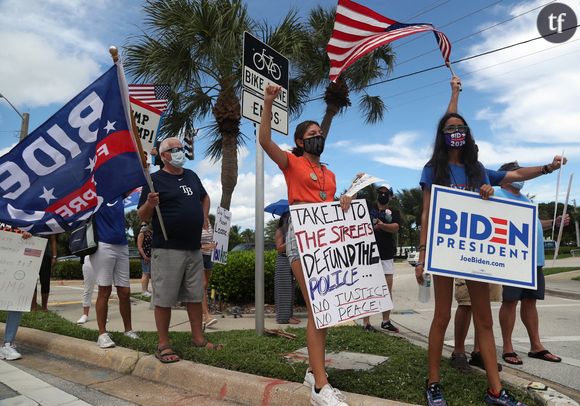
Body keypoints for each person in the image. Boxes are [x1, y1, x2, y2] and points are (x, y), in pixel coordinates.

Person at [446, 76, 568, 372]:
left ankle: (479, 351)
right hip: (465, 254)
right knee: (465, 304)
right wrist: (455, 93)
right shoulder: (449, 171)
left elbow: (521, 180)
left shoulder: (483, 174)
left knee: (485, 304)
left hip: (501, 259)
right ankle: (460, 352)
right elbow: (448, 126)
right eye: (458, 136)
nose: (464, 141)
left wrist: (549, 168)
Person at [416, 103, 525, 405]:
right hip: (442, 250)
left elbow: (513, 174)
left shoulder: (478, 170)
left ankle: (495, 389)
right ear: (442, 135)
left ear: (467, 134)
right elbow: (426, 213)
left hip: (474, 253)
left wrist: (548, 168)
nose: (456, 132)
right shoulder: (433, 169)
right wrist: (422, 253)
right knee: (441, 316)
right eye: (450, 128)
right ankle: (433, 383)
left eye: (460, 128)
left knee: (485, 321)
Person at [259, 84, 352, 406]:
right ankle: (318, 388)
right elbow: (264, 141)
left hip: (327, 240)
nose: (317, 137)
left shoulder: (330, 172)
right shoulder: (291, 162)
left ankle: (315, 373)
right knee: (317, 307)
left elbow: (330, 206)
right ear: (300, 141)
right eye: (311, 133)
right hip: (303, 236)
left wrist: (343, 204)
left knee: (323, 309)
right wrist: (268, 103)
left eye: (319, 133)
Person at [138, 136, 221, 364]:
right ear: (163, 155)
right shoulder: (153, 180)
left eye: (181, 148)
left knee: (195, 296)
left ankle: (198, 338)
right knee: (164, 298)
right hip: (167, 249)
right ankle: (163, 343)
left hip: (193, 248)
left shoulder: (192, 176)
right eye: (174, 149)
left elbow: (204, 197)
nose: (180, 152)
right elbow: (142, 216)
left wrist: (204, 216)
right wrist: (149, 204)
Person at [495, 161, 568, 366]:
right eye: (516, 172)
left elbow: (534, 224)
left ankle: (536, 346)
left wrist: (554, 223)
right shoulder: (496, 193)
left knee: (530, 302)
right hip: (513, 259)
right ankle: (508, 347)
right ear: (506, 176)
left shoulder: (525, 199)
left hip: (534, 260)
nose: (521, 177)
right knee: (510, 301)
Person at [90, 196, 139, 348]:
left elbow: (132, 180)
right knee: (104, 290)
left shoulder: (118, 194)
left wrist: (143, 171)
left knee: (125, 291)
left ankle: (128, 330)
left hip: (122, 245)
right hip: (103, 244)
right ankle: (102, 334)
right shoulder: (94, 195)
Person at [361, 184, 401, 333]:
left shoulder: (394, 211)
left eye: (386, 193)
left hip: (386, 254)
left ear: (390, 196)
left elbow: (395, 227)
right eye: (380, 192)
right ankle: (366, 323)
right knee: (368, 288)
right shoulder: (368, 207)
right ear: (377, 194)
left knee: (387, 290)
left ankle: (386, 321)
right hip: (369, 253)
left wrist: (382, 225)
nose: (383, 195)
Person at [0, 225, 32, 361]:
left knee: (16, 301)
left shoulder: (21, 214)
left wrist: (29, 235)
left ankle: (7, 344)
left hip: (13, 263)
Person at [274, 211, 299, 325]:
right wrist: (292, 240)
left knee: (291, 290)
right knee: (284, 290)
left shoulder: (293, 231)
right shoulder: (280, 231)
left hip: (292, 259)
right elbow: (279, 248)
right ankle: (283, 318)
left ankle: (289, 315)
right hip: (283, 261)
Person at [31, 235, 57, 311]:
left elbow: (53, 240)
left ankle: (44, 307)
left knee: (45, 281)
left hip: (45, 256)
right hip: (31, 254)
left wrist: (54, 256)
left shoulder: (47, 224)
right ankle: (33, 307)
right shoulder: (28, 224)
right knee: (32, 281)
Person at [200, 220, 217, 328]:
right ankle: (206, 315)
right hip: (198, 255)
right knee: (202, 284)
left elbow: (212, 238)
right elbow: (189, 241)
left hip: (208, 256)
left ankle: (202, 314)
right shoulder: (194, 218)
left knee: (205, 286)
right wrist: (205, 247)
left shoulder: (207, 220)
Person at [76, 256, 96, 324]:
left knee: (103, 289)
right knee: (88, 288)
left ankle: (103, 314)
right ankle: (85, 315)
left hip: (103, 258)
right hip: (88, 257)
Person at [137, 222, 153, 297]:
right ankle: (144, 291)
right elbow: (139, 247)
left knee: (149, 273)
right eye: (142, 225)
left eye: (145, 225)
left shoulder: (150, 233)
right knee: (145, 273)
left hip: (151, 256)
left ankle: (146, 290)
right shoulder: (141, 234)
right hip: (145, 256)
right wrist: (144, 256)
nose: (143, 226)